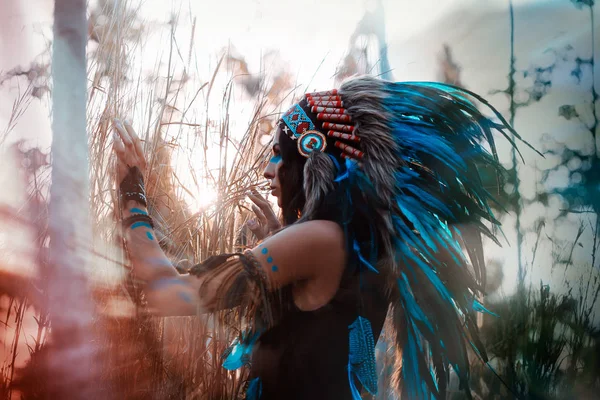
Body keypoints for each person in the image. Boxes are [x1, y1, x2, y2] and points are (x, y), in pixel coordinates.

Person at [112, 75, 529, 400]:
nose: (267, 170)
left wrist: (133, 195)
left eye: (279, 153)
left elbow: (167, 293)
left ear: (312, 161)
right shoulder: (357, 245)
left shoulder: (319, 239)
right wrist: (279, 243)